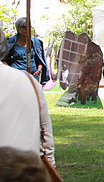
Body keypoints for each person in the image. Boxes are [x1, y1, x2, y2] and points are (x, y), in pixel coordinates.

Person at [0, 34, 55, 167]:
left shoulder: (34, 43)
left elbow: (44, 129)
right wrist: (50, 165)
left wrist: (39, 68)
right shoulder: (27, 82)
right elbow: (45, 130)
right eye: (23, 26)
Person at [4, 18, 48, 84]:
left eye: (29, 26)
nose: (27, 29)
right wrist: (11, 71)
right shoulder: (10, 42)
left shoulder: (36, 42)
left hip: (33, 76)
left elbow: (40, 60)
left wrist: (39, 70)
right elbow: (3, 59)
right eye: (24, 27)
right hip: (16, 77)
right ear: (18, 28)